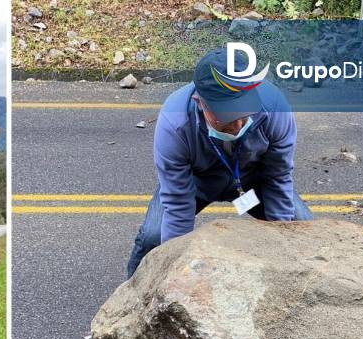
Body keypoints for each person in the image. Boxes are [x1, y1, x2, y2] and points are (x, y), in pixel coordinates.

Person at [126, 48, 314, 278]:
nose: (236, 125)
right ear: (200, 103)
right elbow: (177, 203)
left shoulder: (274, 107)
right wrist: (173, 270)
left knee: (299, 226)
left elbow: (278, 178)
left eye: (243, 113)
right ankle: (132, 299)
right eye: (225, 117)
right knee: (154, 237)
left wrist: (281, 250)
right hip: (197, 185)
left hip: (251, 184)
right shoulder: (175, 123)